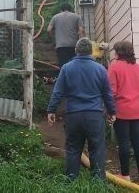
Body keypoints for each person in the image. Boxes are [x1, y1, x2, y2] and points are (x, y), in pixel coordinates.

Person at [47, 37, 116, 182]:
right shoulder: (101, 69)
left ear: (75, 51)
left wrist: (51, 110)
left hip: (73, 115)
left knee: (73, 149)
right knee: (97, 149)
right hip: (94, 116)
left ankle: (71, 182)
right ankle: (98, 184)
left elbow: (58, 91)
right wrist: (112, 111)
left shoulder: (66, 68)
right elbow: (107, 93)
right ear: (91, 51)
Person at [107, 41, 139, 184]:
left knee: (124, 143)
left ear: (119, 52)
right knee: (138, 142)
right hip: (138, 111)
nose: (113, 54)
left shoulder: (114, 67)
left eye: (115, 51)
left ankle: (125, 175)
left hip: (121, 111)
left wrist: (109, 110)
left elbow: (111, 92)